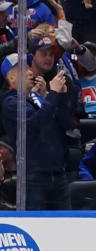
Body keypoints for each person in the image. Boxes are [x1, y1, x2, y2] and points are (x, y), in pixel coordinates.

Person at [0, 53, 74, 210]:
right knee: (37, 225)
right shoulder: (10, 102)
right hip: (33, 175)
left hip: (57, 172)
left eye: (28, 67)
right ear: (11, 78)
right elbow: (36, 123)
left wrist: (61, 96)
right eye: (22, 69)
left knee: (66, 225)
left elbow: (64, 123)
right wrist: (53, 94)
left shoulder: (39, 98)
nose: (29, 72)